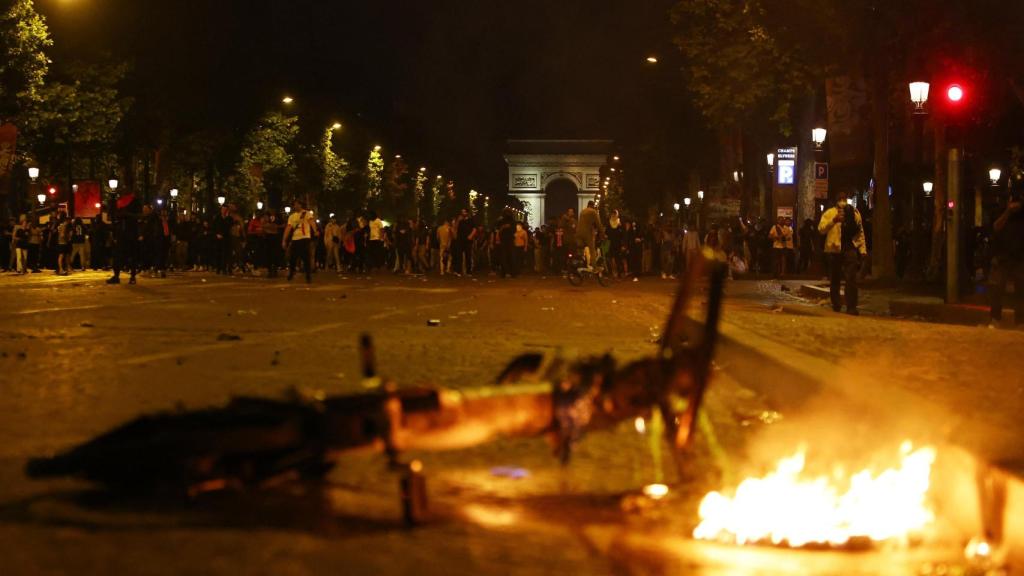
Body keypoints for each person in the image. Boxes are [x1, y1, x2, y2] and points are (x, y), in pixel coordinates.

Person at [818, 192, 867, 315]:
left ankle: (851, 306)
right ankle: (836, 303)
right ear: (836, 201)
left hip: (850, 248)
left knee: (851, 278)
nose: (842, 201)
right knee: (835, 278)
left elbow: (860, 232)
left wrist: (862, 250)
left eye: (844, 199)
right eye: (840, 199)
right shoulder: (830, 213)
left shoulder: (854, 212)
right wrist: (834, 221)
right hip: (834, 249)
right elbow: (821, 229)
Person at [989, 191, 1024, 328]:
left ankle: (1021, 321)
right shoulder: (1001, 211)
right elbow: (996, 227)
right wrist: (1008, 212)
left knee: (1022, 289)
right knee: (996, 288)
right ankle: (995, 319)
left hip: (1020, 257)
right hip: (1002, 257)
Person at [283, 199, 318, 283]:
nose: (295, 206)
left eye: (296, 204)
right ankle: (291, 273)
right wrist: (284, 239)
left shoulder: (306, 213)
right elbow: (288, 228)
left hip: (305, 238)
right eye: (294, 205)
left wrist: (315, 230)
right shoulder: (292, 216)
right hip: (295, 238)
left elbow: (311, 222)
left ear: (300, 205)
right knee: (292, 258)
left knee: (306, 258)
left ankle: (308, 276)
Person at [576, 200, 604, 268]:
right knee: (592, 249)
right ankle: (594, 265)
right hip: (587, 233)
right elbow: (598, 223)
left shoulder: (582, 211)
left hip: (578, 232)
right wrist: (602, 232)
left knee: (580, 248)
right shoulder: (593, 212)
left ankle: (579, 262)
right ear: (592, 206)